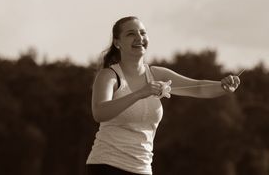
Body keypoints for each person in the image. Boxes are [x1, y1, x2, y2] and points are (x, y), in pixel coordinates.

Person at [86, 16, 241, 175]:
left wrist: (223, 86)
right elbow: (99, 112)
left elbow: (198, 88)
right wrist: (140, 93)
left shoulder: (156, 74)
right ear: (117, 42)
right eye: (131, 34)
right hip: (106, 166)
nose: (139, 37)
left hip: (143, 169)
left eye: (143, 33)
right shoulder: (109, 76)